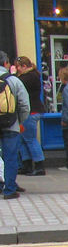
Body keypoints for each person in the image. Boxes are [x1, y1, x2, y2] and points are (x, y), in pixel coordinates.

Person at [0, 50, 31, 199]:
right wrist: (19, 120)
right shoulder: (13, 81)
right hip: (10, 124)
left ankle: (2, 184)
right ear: (6, 63)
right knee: (10, 157)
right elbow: (25, 105)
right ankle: (10, 189)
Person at [14, 56, 46, 176]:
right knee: (22, 139)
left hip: (31, 111)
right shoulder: (30, 75)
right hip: (29, 111)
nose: (17, 69)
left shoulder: (29, 77)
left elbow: (17, 86)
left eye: (18, 67)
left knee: (30, 139)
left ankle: (39, 166)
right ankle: (26, 165)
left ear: (24, 66)